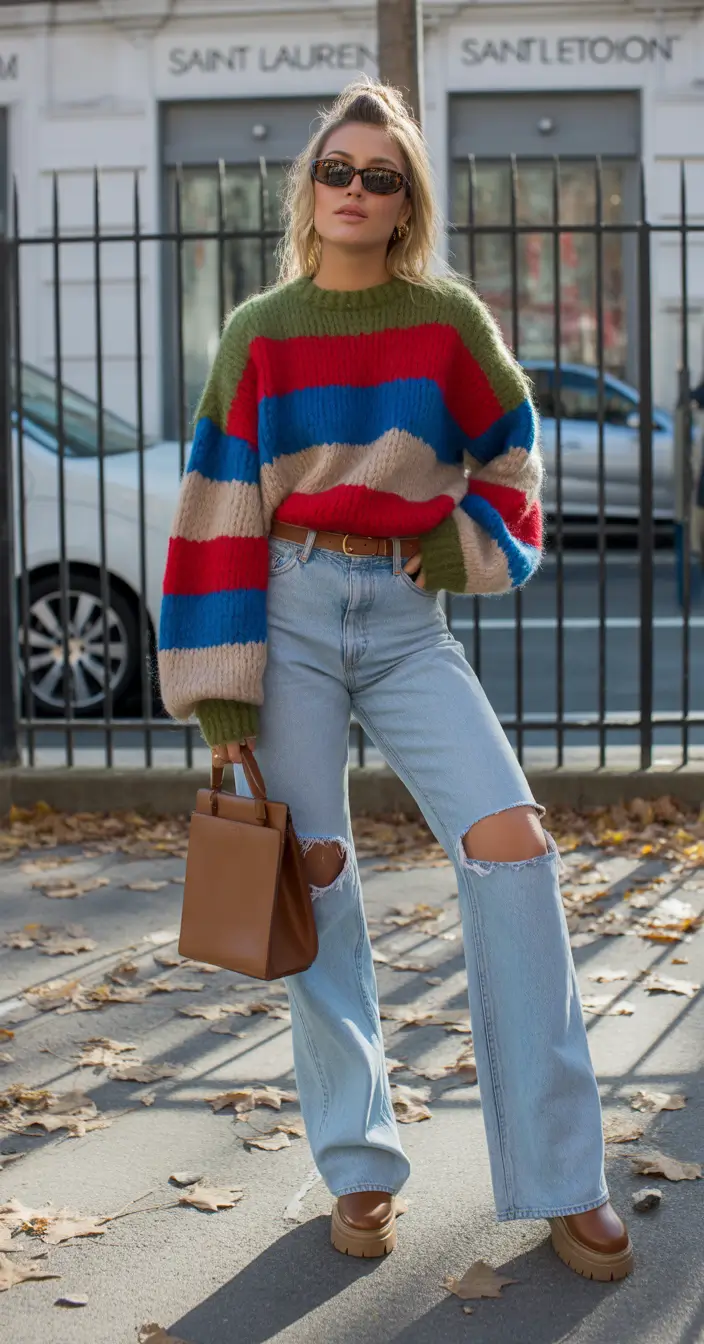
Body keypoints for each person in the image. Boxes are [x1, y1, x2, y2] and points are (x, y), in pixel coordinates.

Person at [158, 77, 634, 1279]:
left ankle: (561, 1175)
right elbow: (218, 504)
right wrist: (223, 699)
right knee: (314, 880)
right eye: (338, 169)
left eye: (381, 174)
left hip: (410, 617)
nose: (355, 190)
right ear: (307, 189)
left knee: (513, 841)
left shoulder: (445, 319)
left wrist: (450, 546)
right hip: (290, 607)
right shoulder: (259, 329)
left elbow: (515, 459)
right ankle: (359, 1166)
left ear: (405, 196)